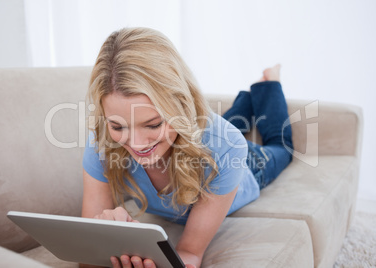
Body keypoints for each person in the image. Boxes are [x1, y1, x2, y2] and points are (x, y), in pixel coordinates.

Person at [81, 27, 293, 268]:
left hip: (249, 165)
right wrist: (113, 240)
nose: (137, 144)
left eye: (152, 124)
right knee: (216, 130)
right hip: (199, 134)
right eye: (118, 127)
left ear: (181, 105)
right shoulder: (102, 142)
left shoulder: (228, 147)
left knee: (282, 146)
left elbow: (190, 254)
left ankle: (269, 82)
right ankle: (243, 101)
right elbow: (86, 258)